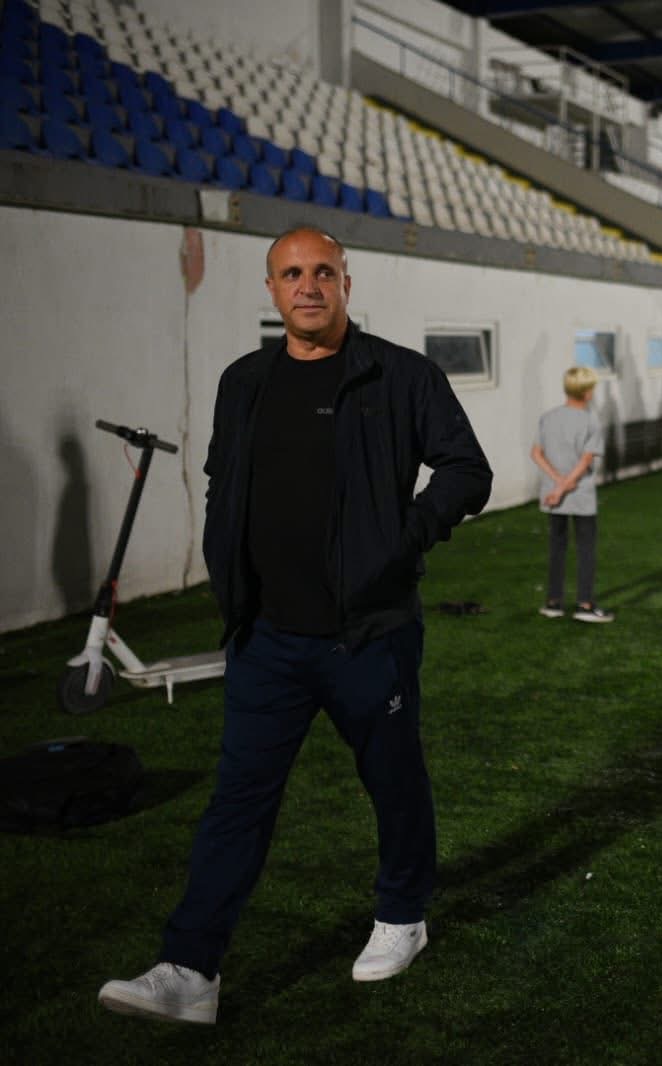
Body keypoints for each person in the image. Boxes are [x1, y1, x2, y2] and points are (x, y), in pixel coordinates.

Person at [98, 227, 493, 1024]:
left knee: (393, 782)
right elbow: (223, 481)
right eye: (290, 274)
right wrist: (228, 577)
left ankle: (402, 915)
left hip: (367, 635)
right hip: (267, 637)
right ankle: (191, 969)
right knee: (237, 801)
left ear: (346, 282)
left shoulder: (399, 375)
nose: (307, 286)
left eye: (321, 272)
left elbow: (466, 470)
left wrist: (403, 537)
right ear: (271, 288)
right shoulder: (243, 380)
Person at [532, 365, 611, 623]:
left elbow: (536, 454)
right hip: (580, 495)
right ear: (587, 392)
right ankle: (584, 605)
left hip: (552, 495)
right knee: (586, 548)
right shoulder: (591, 421)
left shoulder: (548, 417)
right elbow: (585, 461)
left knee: (557, 547)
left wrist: (556, 486)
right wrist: (564, 487)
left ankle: (553, 602)